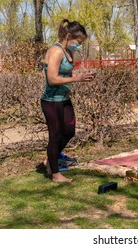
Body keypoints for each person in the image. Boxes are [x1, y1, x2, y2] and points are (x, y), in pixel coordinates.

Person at [41, 19, 95, 182]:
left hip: (64, 99)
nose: (78, 45)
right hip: (51, 101)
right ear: (69, 36)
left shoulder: (68, 51)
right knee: (55, 135)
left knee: (69, 131)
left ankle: (50, 160)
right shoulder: (56, 51)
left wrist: (82, 77)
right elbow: (52, 79)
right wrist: (76, 78)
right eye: (78, 42)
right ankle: (55, 173)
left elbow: (64, 75)